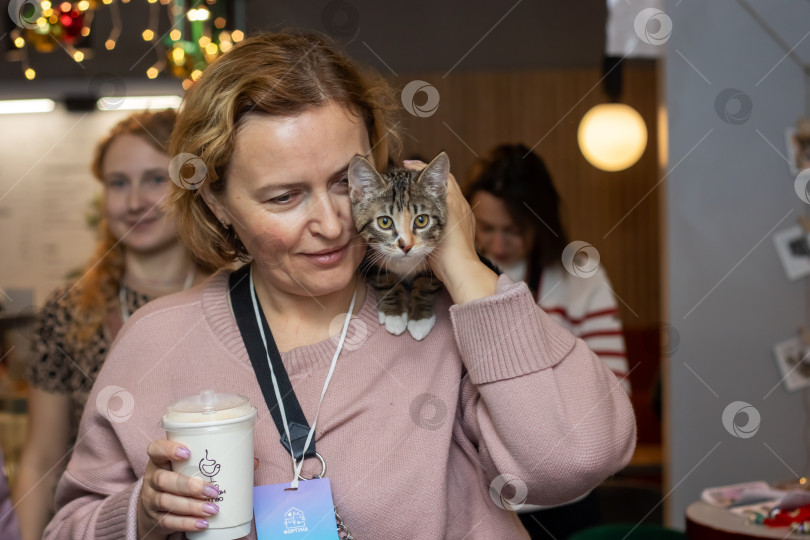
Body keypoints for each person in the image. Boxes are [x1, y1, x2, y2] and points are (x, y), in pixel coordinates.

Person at [44, 32, 636, 540]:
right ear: (217, 202)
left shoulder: (448, 321)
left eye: (345, 184)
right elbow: (68, 525)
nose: (330, 224)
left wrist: (463, 266)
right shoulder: (158, 342)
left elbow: (574, 460)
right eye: (284, 196)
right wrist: (141, 517)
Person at [13, 109, 211, 540]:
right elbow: (41, 457)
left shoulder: (232, 298)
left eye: (155, 179)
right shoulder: (69, 312)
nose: (135, 200)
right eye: (119, 183)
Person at [467, 144, 631, 394]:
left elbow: (615, 389)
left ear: (542, 222)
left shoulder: (580, 275)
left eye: (514, 231)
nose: (498, 245)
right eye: (487, 228)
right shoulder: (463, 273)